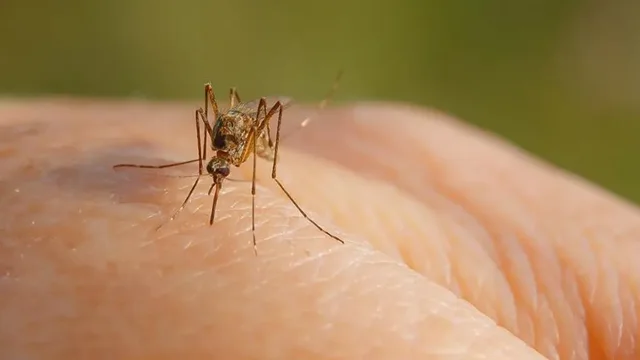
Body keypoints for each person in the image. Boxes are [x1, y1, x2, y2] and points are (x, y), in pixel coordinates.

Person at [1, 99, 637, 359]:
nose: (219, 175)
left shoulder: (243, 147)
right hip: (223, 132)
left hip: (254, 138)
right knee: (208, 105)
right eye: (217, 168)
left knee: (251, 136)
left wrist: (260, 169)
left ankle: (270, 177)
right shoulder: (214, 147)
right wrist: (198, 162)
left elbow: (245, 137)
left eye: (219, 168)